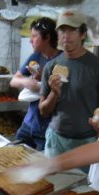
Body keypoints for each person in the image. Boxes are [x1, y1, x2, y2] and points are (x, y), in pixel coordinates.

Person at [39, 10, 99, 164]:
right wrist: (54, 93)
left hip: (87, 142)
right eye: (62, 30)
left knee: (84, 188)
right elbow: (43, 111)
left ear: (83, 34)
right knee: (54, 186)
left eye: (72, 30)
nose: (66, 35)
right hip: (56, 141)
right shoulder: (50, 67)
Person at [10, 17, 61, 151]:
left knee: (38, 166)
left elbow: (63, 91)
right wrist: (27, 82)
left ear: (47, 37)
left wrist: (43, 82)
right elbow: (14, 81)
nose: (30, 40)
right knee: (16, 155)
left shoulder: (62, 60)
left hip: (48, 128)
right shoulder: (36, 57)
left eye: (34, 36)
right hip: (29, 123)